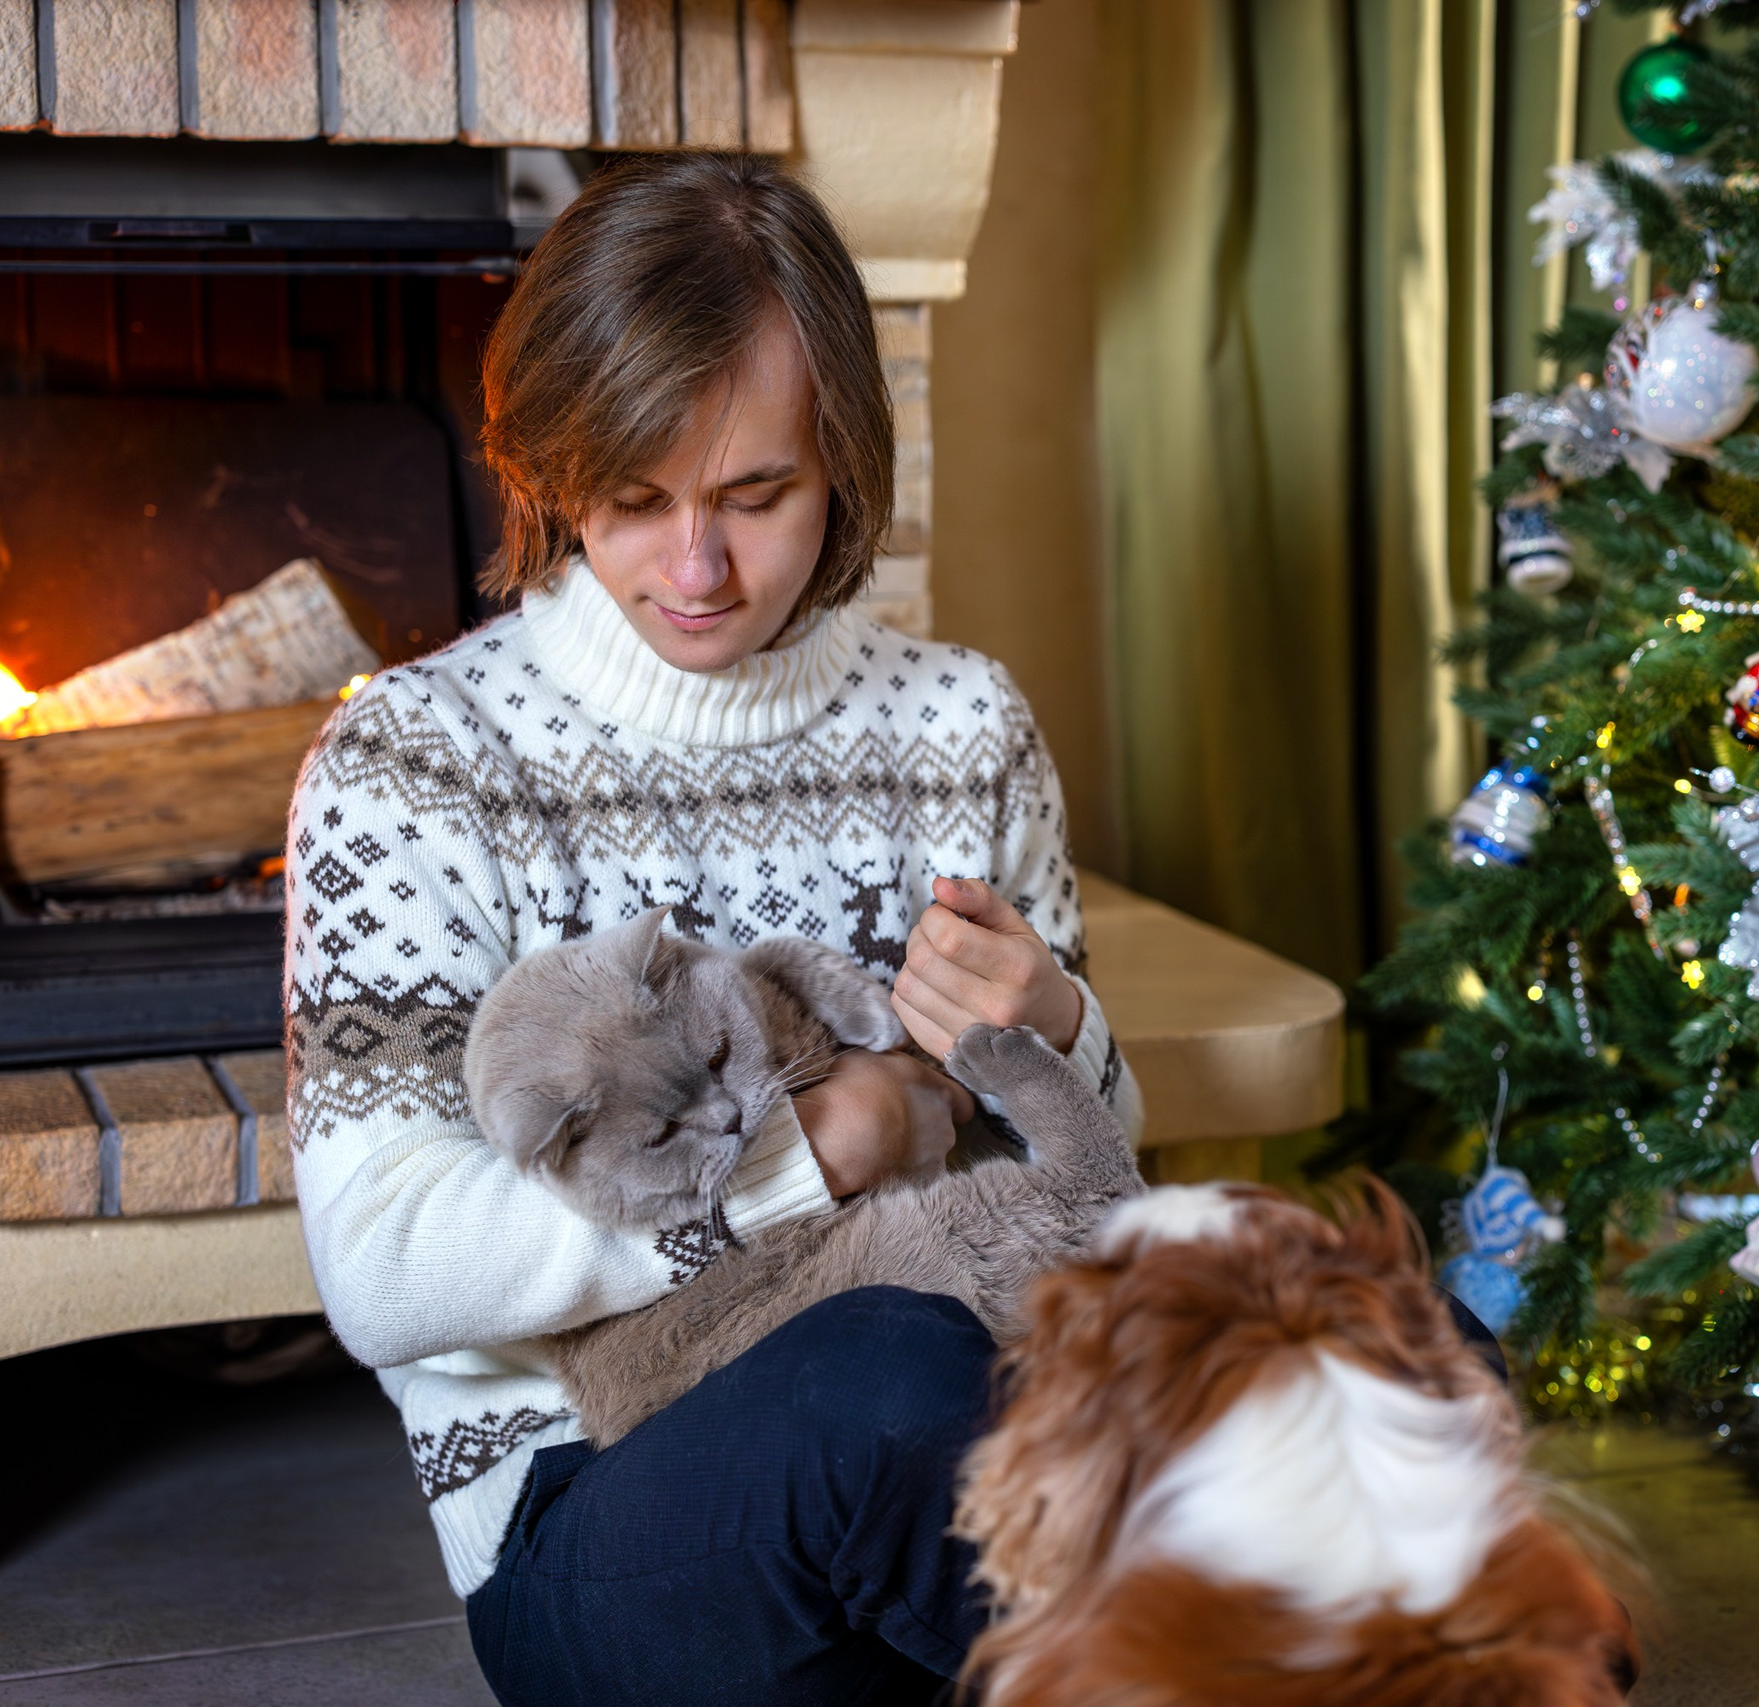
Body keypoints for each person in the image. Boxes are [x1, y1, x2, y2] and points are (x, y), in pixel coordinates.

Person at [282, 153, 1142, 1705]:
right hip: (600, 1494)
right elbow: (389, 1265)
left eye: (757, 496)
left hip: (997, 1418)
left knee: (1397, 1334)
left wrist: (1065, 1034)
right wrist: (816, 1152)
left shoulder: (963, 724)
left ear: (847, 468)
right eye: (633, 502)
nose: (696, 570)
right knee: (889, 1389)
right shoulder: (415, 760)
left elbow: (1090, 1173)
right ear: (552, 478)